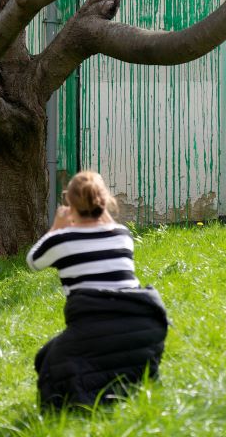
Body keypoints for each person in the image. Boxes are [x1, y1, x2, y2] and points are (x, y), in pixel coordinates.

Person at [26, 171, 168, 410]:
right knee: (48, 355)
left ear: (69, 204)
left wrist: (56, 228)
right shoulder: (123, 235)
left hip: (96, 324)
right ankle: (131, 383)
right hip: (145, 329)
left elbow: (33, 262)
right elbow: (103, 229)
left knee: (51, 366)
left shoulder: (61, 240)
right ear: (105, 201)